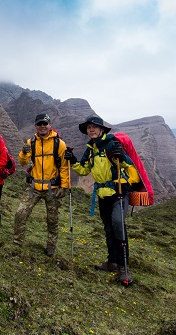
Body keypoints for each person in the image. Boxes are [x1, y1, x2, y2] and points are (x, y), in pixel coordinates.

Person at [65, 115, 140, 285]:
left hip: (119, 192)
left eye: (94, 127)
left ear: (101, 129)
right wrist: (73, 160)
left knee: (118, 224)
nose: (91, 129)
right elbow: (84, 170)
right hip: (102, 194)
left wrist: (121, 156)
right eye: (88, 127)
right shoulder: (90, 149)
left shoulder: (113, 145)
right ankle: (112, 262)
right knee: (108, 227)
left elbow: (129, 166)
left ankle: (124, 268)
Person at [13, 113, 70, 256]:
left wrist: (65, 186)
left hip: (53, 188)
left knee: (52, 219)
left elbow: (64, 167)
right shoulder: (30, 142)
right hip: (34, 187)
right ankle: (17, 243)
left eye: (45, 124)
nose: (42, 126)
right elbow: (23, 163)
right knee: (20, 213)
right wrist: (24, 153)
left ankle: (51, 246)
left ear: (50, 125)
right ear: (35, 126)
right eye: (39, 124)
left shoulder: (60, 144)